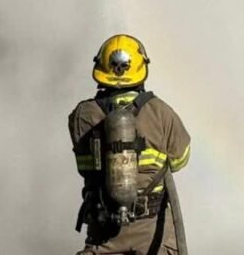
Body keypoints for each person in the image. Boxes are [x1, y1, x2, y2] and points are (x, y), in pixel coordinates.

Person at [70, 34, 191, 255]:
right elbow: (180, 160)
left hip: (103, 232)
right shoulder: (161, 112)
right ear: (141, 69)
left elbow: (84, 167)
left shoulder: (82, 115)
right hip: (153, 233)